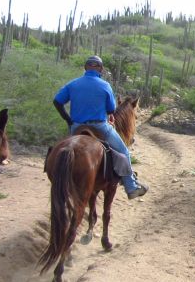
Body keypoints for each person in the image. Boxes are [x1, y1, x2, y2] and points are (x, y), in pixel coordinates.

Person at [52, 55, 149, 199]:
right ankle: (131, 186)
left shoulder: (73, 84)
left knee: (63, 148)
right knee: (123, 151)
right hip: (100, 126)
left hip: (76, 126)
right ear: (101, 69)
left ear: (85, 67)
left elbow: (57, 101)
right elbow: (111, 109)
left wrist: (68, 119)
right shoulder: (105, 85)